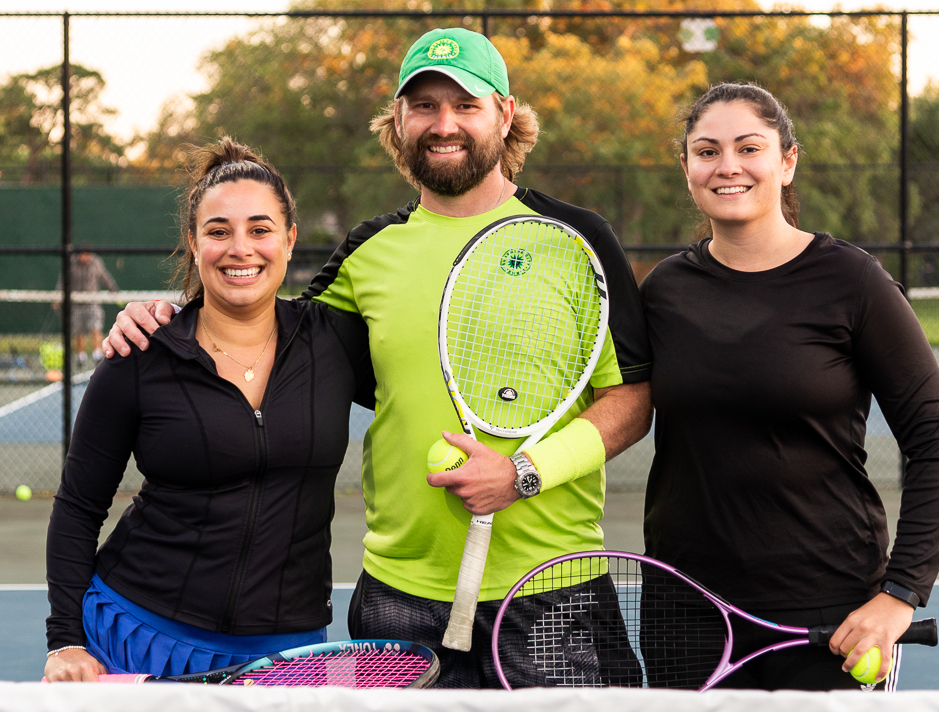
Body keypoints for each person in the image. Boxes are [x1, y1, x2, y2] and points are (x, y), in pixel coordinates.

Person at [102, 28, 652, 688]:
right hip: (401, 595)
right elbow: (263, 326)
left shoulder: (579, 239)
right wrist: (164, 317)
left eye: (465, 105)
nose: (442, 124)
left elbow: (630, 400)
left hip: (551, 589)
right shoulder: (364, 253)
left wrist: (523, 472)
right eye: (422, 106)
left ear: (505, 115)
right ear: (398, 120)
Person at [639, 83, 939, 691]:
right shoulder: (665, 290)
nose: (727, 166)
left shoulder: (853, 282)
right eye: (706, 151)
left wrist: (899, 595)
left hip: (828, 611)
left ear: (786, 162)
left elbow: (937, 439)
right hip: (684, 608)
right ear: (686, 167)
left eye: (749, 147)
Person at [44, 138, 374, 682]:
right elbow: (79, 506)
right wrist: (65, 642)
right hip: (139, 634)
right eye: (218, 231)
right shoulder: (139, 352)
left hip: (284, 653)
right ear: (194, 244)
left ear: (289, 241)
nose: (240, 248)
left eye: (260, 229)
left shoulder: (334, 340)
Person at [53, 250, 119, 367]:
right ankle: (81, 357)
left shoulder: (96, 262)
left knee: (95, 328)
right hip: (76, 304)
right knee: (78, 331)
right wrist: (58, 297)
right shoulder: (71, 263)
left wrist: (113, 290)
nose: (84, 258)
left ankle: (97, 355)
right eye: (82, 255)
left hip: (93, 303)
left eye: (87, 255)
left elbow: (104, 277)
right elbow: (63, 281)